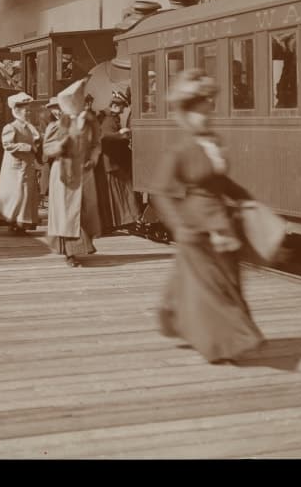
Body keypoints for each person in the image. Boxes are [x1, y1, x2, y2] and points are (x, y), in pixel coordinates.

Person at [151, 69, 265, 364]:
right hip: (195, 227)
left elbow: (221, 183)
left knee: (226, 283)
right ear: (187, 115)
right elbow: (161, 191)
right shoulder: (180, 150)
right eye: (202, 112)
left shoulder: (213, 144)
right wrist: (178, 226)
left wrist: (250, 201)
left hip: (222, 224)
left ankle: (205, 332)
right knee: (211, 289)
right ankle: (223, 345)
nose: (208, 117)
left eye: (209, 110)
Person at [44, 83, 101, 266]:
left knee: (83, 211)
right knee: (67, 213)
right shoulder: (58, 125)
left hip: (84, 172)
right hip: (64, 174)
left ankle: (79, 247)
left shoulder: (90, 123)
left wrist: (93, 159)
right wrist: (60, 146)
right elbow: (47, 148)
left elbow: (96, 145)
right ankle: (70, 253)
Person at [0, 92, 41, 234]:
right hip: (15, 168)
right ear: (17, 111)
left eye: (29, 110)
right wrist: (27, 147)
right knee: (18, 195)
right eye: (26, 110)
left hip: (27, 166)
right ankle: (14, 222)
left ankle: (23, 223)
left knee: (27, 194)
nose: (28, 113)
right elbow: (7, 145)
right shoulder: (11, 127)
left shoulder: (28, 127)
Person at [99, 89, 140, 233]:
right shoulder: (108, 119)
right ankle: (126, 220)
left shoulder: (112, 118)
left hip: (114, 161)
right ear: (115, 106)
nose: (123, 110)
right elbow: (104, 137)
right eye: (122, 107)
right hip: (111, 162)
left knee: (120, 192)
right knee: (122, 191)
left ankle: (123, 221)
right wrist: (121, 135)